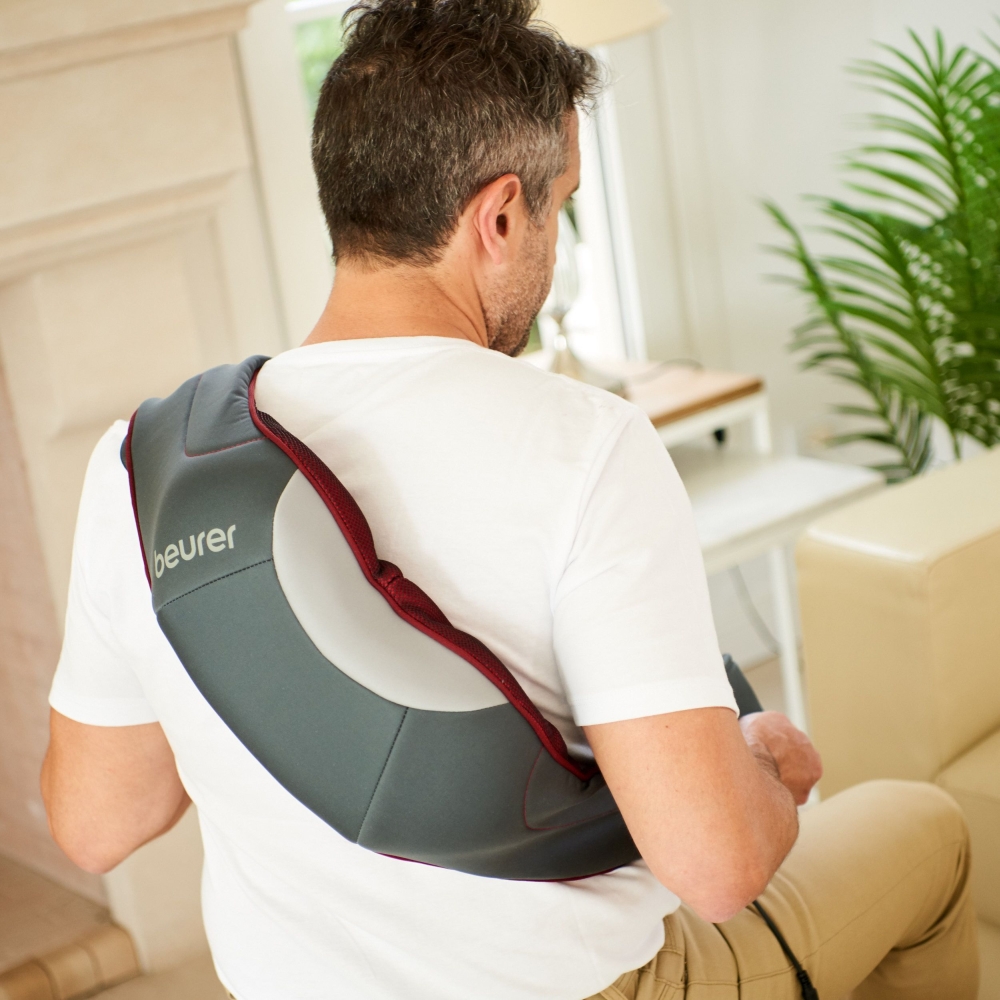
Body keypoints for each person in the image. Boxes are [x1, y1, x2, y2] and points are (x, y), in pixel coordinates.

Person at [40, 2, 978, 997]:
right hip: (584, 986)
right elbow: (718, 869)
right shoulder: (585, 443)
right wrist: (768, 773)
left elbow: (98, 824)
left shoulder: (141, 464)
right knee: (928, 831)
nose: (555, 246)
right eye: (557, 207)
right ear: (497, 217)